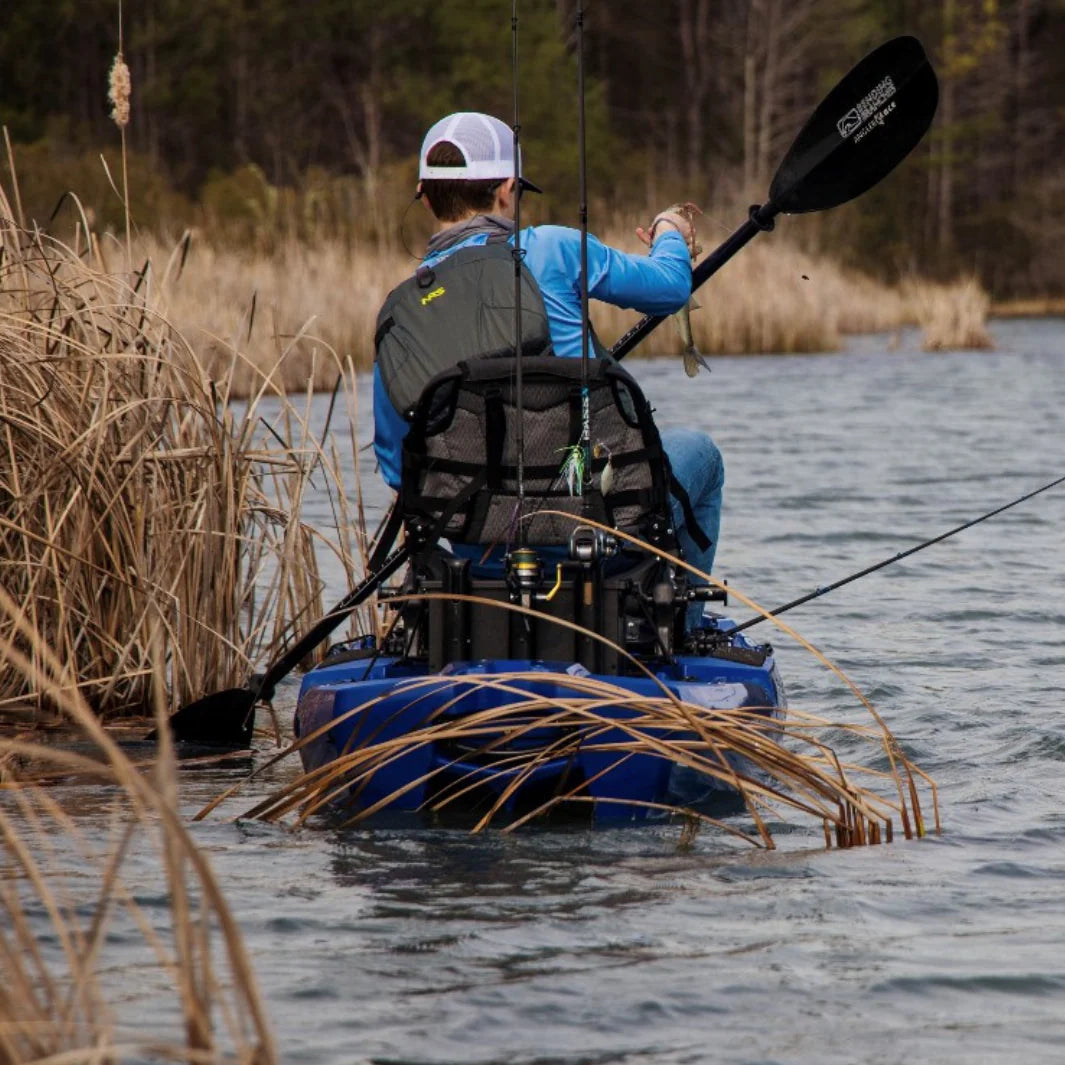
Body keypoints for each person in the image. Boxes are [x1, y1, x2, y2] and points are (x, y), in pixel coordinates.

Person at [373, 112, 723, 615]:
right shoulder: (555, 249)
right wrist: (670, 231)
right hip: (598, 525)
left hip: (479, 547)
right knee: (700, 453)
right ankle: (673, 627)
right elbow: (670, 288)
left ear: (426, 198)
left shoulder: (401, 311)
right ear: (507, 189)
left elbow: (395, 465)